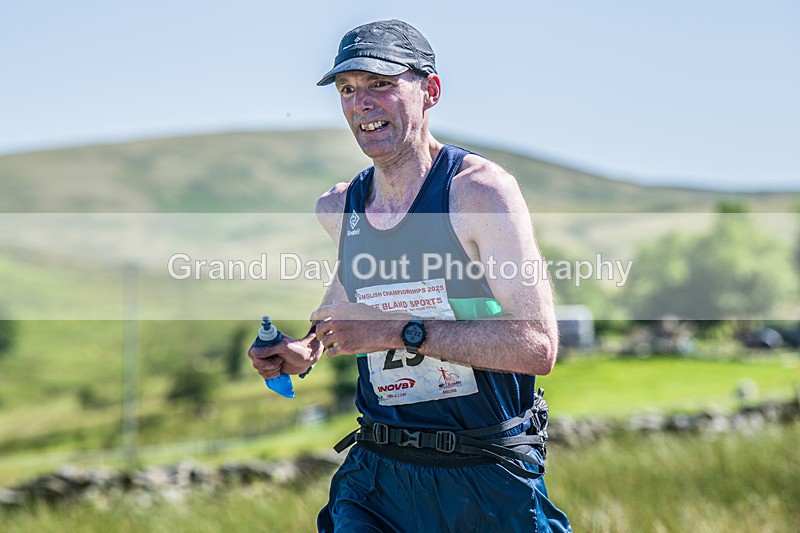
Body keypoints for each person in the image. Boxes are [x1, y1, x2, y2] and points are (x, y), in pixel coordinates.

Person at [248, 19, 571, 532]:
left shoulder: (478, 194)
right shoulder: (341, 208)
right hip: (379, 478)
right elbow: (349, 298)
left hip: (486, 476)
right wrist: (304, 352)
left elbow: (536, 347)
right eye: (347, 90)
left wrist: (397, 330)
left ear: (430, 91)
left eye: (381, 84)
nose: (361, 104)